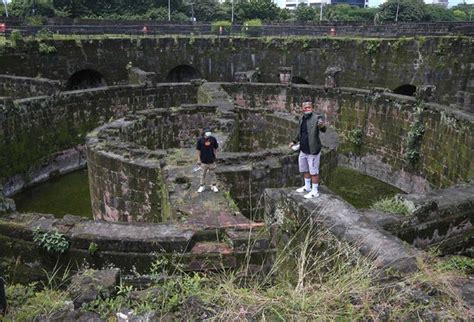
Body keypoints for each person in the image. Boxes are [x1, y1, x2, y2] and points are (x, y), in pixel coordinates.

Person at [289, 101, 327, 199]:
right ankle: (307, 187)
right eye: (305, 107)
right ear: (302, 109)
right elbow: (300, 133)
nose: (307, 108)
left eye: (309, 107)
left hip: (313, 150)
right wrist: (294, 141)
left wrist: (322, 126)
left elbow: (323, 129)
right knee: (305, 169)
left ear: (312, 108)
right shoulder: (302, 118)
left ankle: (315, 191)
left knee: (313, 171)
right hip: (303, 149)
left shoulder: (317, 118)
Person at [196, 127, 219, 193]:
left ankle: (213, 185)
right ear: (204, 134)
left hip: (211, 160)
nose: (208, 135)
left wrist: (216, 155)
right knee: (202, 174)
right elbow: (198, 150)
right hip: (203, 160)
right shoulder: (200, 140)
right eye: (206, 133)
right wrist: (198, 159)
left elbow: (215, 148)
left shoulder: (213, 139)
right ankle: (202, 186)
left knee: (213, 173)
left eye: (209, 133)